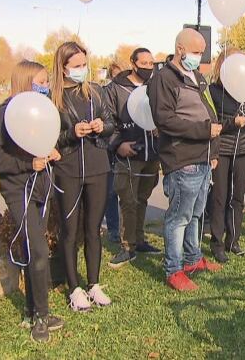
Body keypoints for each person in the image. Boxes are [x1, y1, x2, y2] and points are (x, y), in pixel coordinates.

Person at [0, 61, 64, 342]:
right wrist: (27, 163)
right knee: (39, 250)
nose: (46, 86)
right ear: (27, 82)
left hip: (40, 189)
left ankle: (32, 309)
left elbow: (39, 140)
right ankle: (41, 317)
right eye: (41, 81)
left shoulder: (39, 111)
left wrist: (50, 152)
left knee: (34, 249)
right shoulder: (5, 113)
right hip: (18, 190)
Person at [147, 28, 222, 291]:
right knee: (178, 217)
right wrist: (203, 131)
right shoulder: (163, 79)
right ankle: (174, 269)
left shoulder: (198, 77)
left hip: (202, 158)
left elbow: (209, 113)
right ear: (180, 49)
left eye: (202, 52)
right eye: (195, 51)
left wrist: (213, 151)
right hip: (181, 159)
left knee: (196, 214)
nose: (199, 57)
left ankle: (193, 258)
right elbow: (165, 120)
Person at [51, 42, 115, 311]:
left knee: (93, 228)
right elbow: (49, 137)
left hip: (98, 166)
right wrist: (69, 134)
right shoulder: (53, 99)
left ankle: (94, 284)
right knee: (69, 230)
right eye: (75, 66)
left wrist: (102, 126)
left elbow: (112, 123)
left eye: (83, 65)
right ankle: (74, 287)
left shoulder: (95, 92)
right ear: (63, 68)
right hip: (68, 170)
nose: (81, 70)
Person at [105, 49, 162, 269]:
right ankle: (127, 247)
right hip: (129, 154)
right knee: (128, 201)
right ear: (133, 63)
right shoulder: (114, 89)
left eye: (151, 63)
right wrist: (118, 144)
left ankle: (139, 240)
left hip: (152, 153)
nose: (148, 67)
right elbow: (107, 120)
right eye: (144, 63)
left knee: (142, 198)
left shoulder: (154, 86)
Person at [208, 50, 245, 263]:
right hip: (222, 150)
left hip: (243, 149)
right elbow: (212, 123)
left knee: (238, 198)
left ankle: (234, 240)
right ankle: (217, 242)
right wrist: (234, 123)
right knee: (220, 197)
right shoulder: (214, 91)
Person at [103, 63, 124, 244]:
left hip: (126, 145)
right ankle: (113, 229)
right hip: (111, 146)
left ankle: (127, 230)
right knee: (110, 191)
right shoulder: (107, 92)